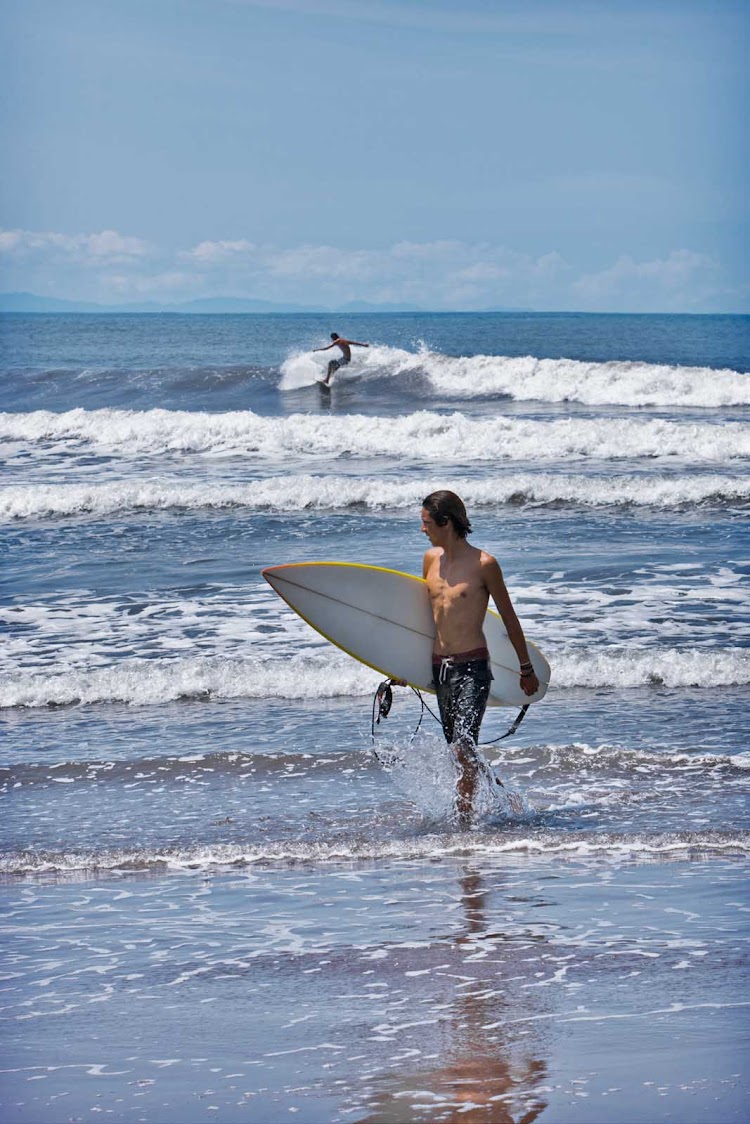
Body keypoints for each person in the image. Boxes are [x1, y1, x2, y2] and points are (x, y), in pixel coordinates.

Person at [420, 490, 539, 824]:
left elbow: (510, 620)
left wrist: (525, 668)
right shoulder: (430, 560)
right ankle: (506, 799)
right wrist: (402, 666)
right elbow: (421, 619)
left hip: (473, 667)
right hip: (439, 668)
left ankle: (463, 821)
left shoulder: (484, 565)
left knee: (463, 747)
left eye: (427, 523)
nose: (422, 529)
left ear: (446, 522)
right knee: (461, 753)